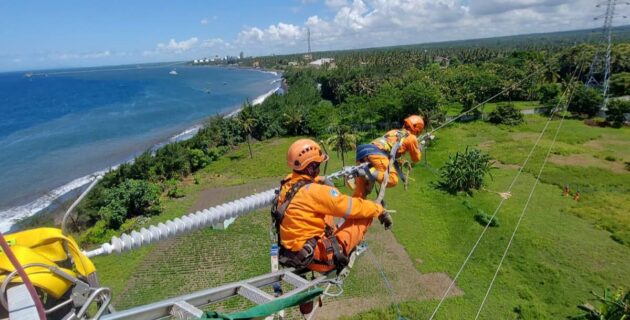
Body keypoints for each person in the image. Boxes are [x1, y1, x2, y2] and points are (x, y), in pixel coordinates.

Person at [273, 139, 393, 273]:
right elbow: (351, 208)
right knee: (365, 215)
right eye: (317, 166)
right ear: (310, 167)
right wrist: (379, 209)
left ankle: (330, 235)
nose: (318, 170)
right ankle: (340, 245)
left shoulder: (287, 184)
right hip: (318, 259)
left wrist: (321, 179)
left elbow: (305, 183)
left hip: (295, 253)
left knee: (326, 212)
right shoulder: (316, 192)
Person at [353, 115, 425, 198]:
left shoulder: (394, 132)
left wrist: (402, 161)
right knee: (392, 179)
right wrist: (419, 148)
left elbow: (391, 152)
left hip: (363, 151)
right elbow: (416, 159)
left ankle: (356, 205)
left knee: (361, 192)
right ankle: (367, 171)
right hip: (376, 153)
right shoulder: (412, 138)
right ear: (418, 130)